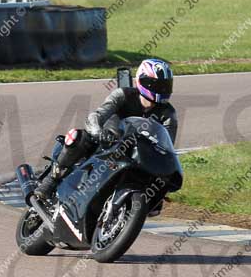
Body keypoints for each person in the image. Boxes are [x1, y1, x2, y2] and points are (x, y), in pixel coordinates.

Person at [34, 58, 178, 202]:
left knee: (155, 193)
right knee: (77, 136)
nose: (160, 89)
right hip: (107, 142)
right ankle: (51, 180)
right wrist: (98, 132)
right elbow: (96, 116)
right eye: (155, 84)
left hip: (136, 154)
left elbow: (167, 147)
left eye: (164, 86)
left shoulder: (168, 114)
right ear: (142, 81)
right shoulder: (123, 95)